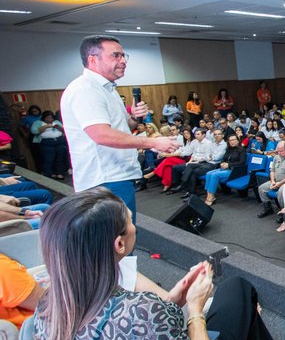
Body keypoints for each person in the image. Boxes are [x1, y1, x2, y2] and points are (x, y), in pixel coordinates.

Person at [30, 189, 283, 340]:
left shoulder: (50, 304)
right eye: (130, 220)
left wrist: (174, 299)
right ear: (119, 244)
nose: (134, 225)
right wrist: (195, 308)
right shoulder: (141, 312)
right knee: (237, 288)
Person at [60, 35, 179, 220]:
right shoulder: (85, 89)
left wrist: (134, 117)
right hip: (104, 178)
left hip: (117, 174)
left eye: (124, 56)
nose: (123, 61)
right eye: (115, 55)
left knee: (124, 232)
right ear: (93, 59)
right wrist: (152, 142)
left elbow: (123, 127)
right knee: (117, 236)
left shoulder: (108, 89)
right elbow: (102, 135)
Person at [257, 141, 285, 219]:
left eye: (281, 151)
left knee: (281, 192)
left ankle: (284, 211)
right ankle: (268, 209)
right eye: (278, 151)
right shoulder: (277, 157)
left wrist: (279, 183)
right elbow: (272, 170)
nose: (279, 153)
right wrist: (273, 181)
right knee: (261, 188)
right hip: (275, 181)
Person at [203, 134, 247, 206]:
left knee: (214, 175)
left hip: (234, 170)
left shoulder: (242, 150)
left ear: (237, 140)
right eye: (230, 140)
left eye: (233, 140)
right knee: (208, 173)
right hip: (225, 168)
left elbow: (242, 162)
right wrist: (222, 163)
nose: (232, 142)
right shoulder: (229, 149)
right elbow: (224, 158)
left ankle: (211, 197)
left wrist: (229, 165)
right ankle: (209, 195)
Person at [30, 110, 68, 180]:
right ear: (44, 118)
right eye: (48, 118)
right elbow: (34, 131)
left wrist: (59, 128)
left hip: (59, 141)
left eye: (51, 118)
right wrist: (47, 126)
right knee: (49, 159)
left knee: (59, 158)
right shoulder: (38, 123)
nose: (50, 119)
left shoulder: (56, 122)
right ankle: (49, 173)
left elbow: (64, 130)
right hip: (46, 143)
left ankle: (59, 173)